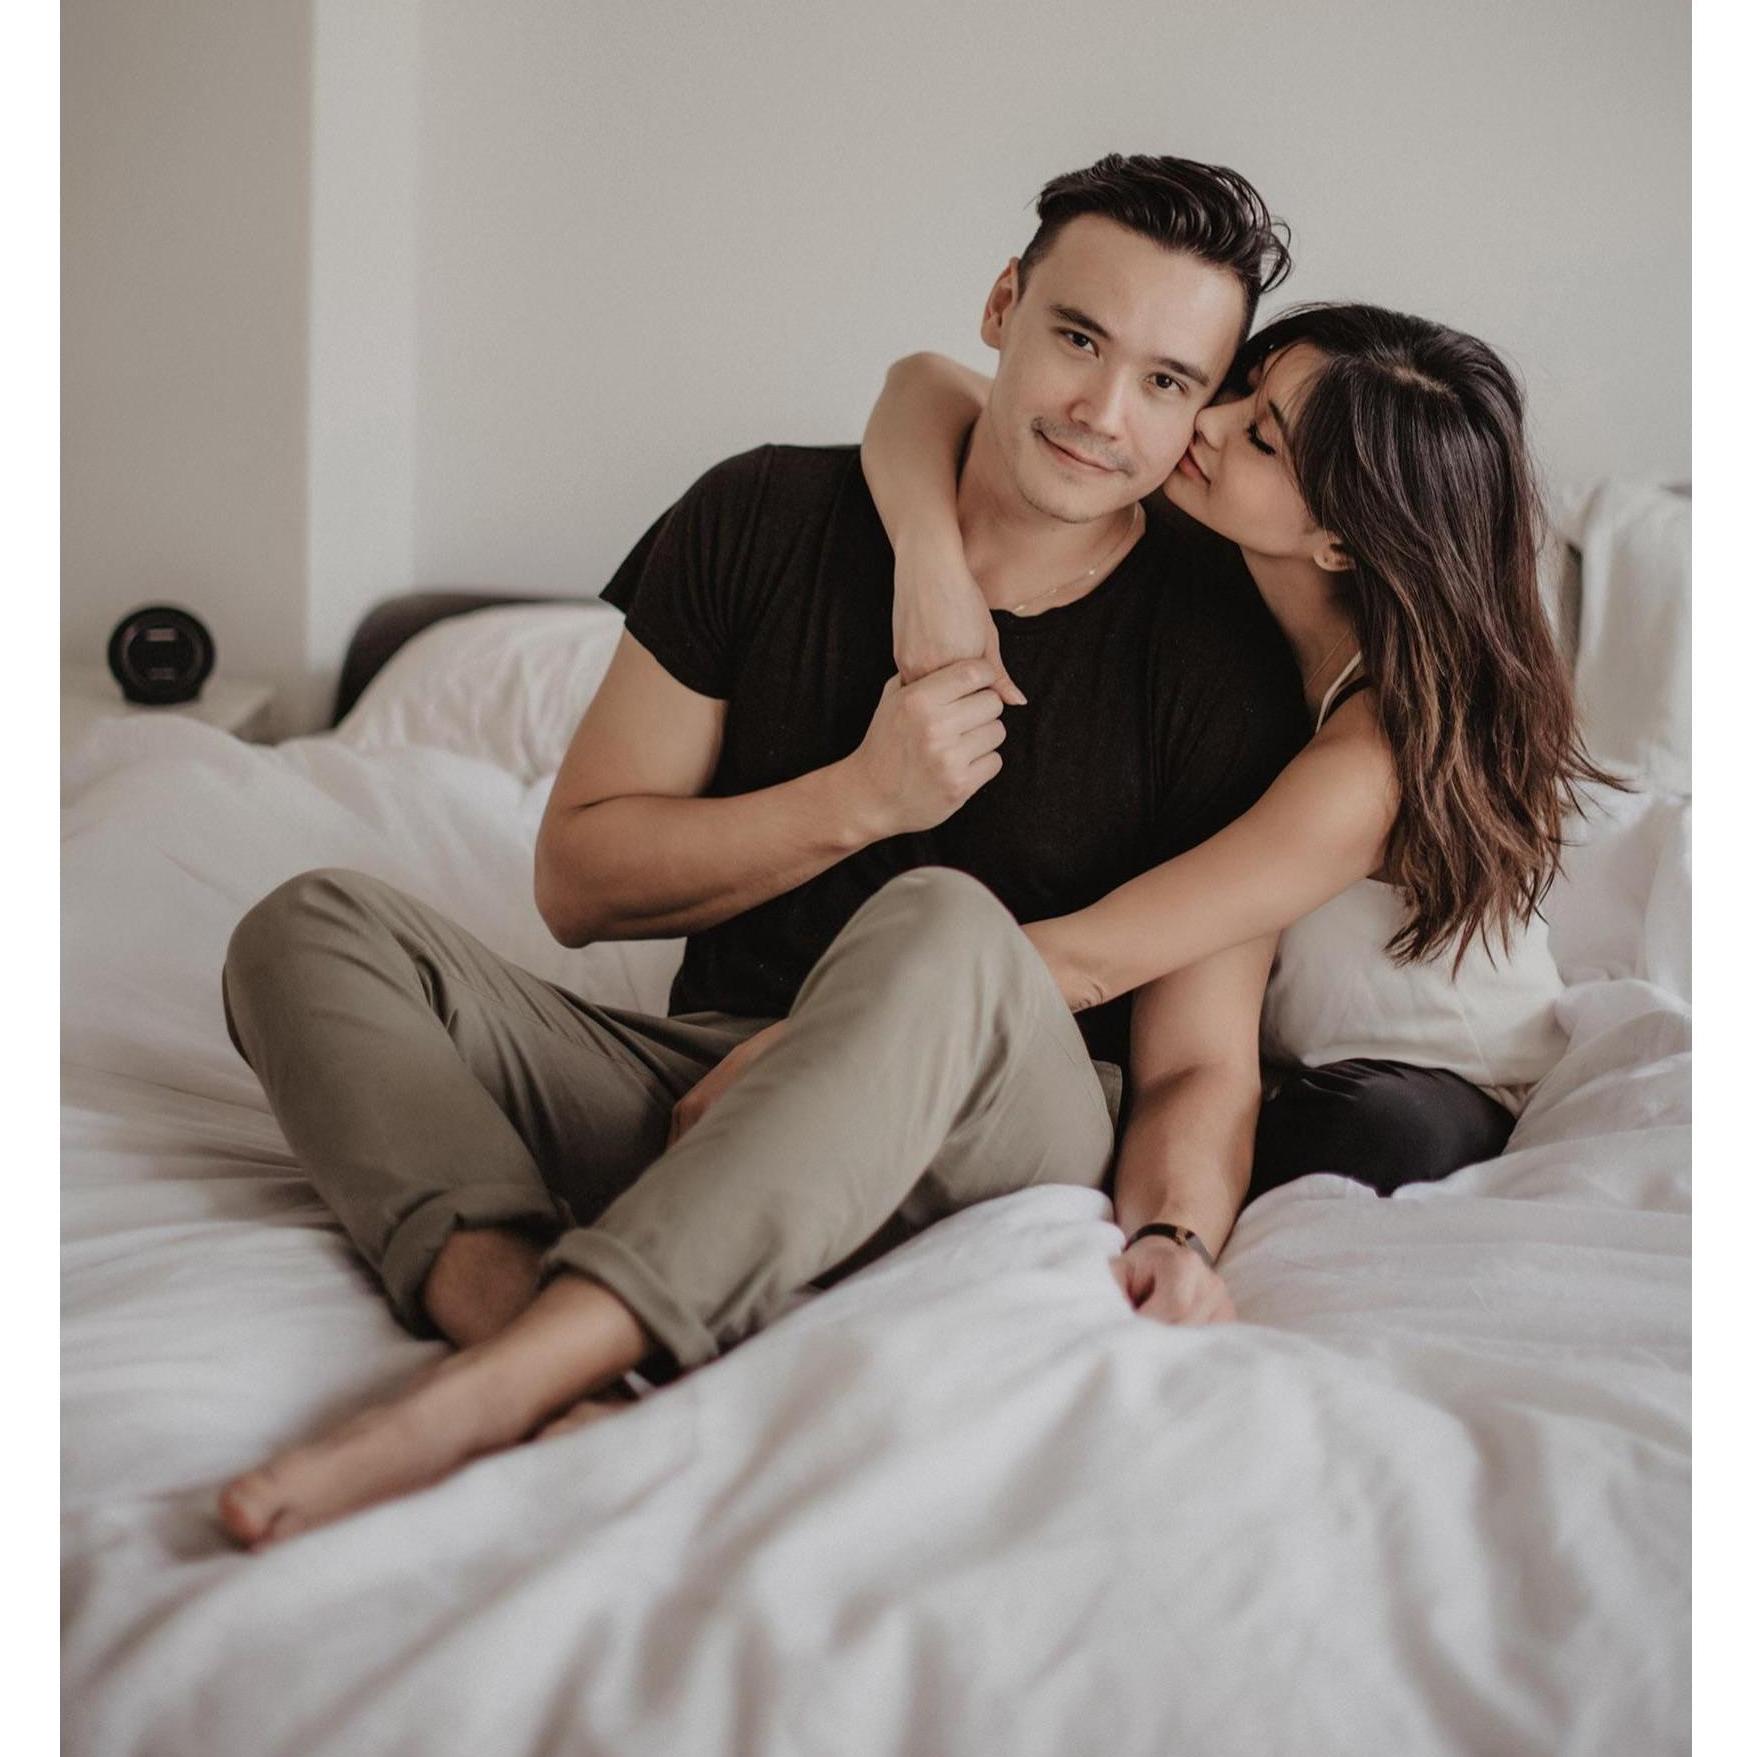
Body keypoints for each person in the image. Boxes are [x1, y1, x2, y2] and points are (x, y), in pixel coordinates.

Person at [213, 153, 1310, 1551]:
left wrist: (1172, 1237)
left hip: (984, 1122)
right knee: (311, 925)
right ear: (1002, 308)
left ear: (1199, 409)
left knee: (941, 921)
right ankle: (531, 1343)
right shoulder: (764, 515)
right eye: (1078, 339)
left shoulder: (1217, 654)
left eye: (1163, 381)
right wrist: (860, 796)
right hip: (702, 1089)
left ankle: (481, 1394)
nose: (1103, 413)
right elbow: (579, 880)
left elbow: (1201, 1059)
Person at [846, 301, 1619, 1207]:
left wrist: (834, 1040)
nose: (1207, 422)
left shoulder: (1371, 761)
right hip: (1264, 1045)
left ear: (1339, 541)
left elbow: (1091, 959)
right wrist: (929, 564)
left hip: (1430, 1084)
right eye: (1241, 389)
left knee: (1323, 1139)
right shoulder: (1234, 584)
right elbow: (923, 384)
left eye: (1259, 437)